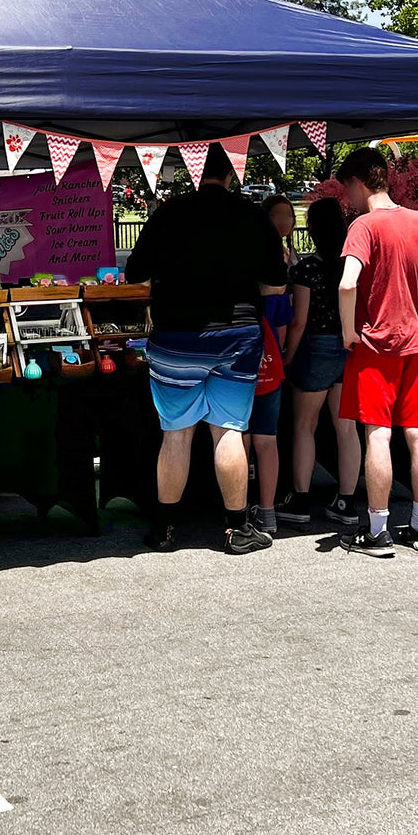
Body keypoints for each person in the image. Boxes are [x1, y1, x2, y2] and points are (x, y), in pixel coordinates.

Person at [125, 143, 289, 554]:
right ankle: (236, 529)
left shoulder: (168, 213)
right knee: (228, 430)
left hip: (175, 337)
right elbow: (277, 282)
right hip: (237, 336)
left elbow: (135, 274)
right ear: (231, 174)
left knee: (175, 435)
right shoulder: (251, 215)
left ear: (197, 173)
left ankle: (164, 531)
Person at [335, 149, 418, 557]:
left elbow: (347, 284)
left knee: (378, 435)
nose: (346, 198)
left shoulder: (362, 226)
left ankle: (378, 531)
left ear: (357, 183)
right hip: (412, 346)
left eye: (346, 188)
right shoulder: (417, 221)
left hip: (374, 346)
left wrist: (349, 331)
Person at [277, 196, 361, 527]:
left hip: (316, 349)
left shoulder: (306, 269)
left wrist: (287, 358)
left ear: (311, 228)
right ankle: (347, 500)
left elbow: (298, 321)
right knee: (346, 427)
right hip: (348, 347)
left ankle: (299, 499)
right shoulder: (351, 263)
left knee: (304, 426)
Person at [246, 317, 285, 535]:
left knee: (238, 439)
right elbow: (284, 330)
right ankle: (267, 513)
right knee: (267, 442)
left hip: (238, 367)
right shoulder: (276, 295)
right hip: (270, 367)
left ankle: (238, 510)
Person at [262, 193, 298, 266]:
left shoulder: (289, 250)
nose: (284, 221)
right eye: (277, 215)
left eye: (288, 215)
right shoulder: (263, 252)